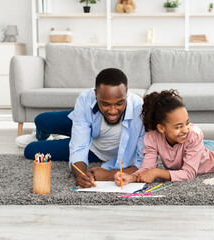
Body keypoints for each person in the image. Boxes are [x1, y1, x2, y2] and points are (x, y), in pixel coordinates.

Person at [17, 68, 146, 188]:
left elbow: (143, 161)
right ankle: (40, 136)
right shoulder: (85, 99)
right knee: (41, 120)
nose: (113, 111)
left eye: (119, 103)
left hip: (95, 150)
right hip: (86, 127)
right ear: (96, 94)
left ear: (126, 93)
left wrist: (110, 174)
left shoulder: (140, 109)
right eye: (105, 104)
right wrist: (80, 175)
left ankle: (64, 139)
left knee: (31, 150)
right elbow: (79, 146)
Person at [114, 89, 214, 186]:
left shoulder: (192, 134)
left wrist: (158, 172)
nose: (185, 129)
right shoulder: (152, 137)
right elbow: (147, 168)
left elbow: (189, 173)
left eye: (187, 123)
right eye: (178, 126)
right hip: (195, 147)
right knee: (198, 143)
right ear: (161, 128)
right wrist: (131, 177)